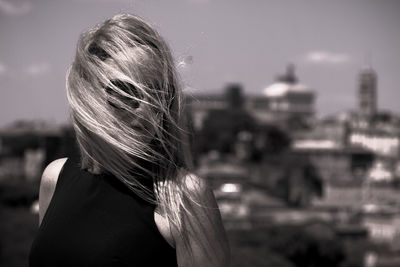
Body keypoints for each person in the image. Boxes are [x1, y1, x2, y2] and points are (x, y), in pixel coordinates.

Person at [29, 14, 230, 266]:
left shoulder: (184, 198)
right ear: (90, 97)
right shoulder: (55, 178)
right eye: (126, 92)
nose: (149, 110)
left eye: (158, 95)